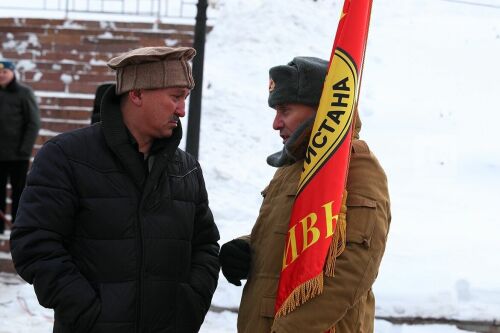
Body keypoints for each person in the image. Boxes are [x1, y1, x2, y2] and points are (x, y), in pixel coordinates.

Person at [10, 47, 220, 333]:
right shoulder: (65, 156)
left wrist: (190, 304)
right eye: (175, 96)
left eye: (185, 98)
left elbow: (205, 246)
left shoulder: (187, 168)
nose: (182, 110)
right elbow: (35, 244)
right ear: (136, 94)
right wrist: (89, 312)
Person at [219, 57, 391, 332]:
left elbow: (354, 267)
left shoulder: (356, 167)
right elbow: (300, 240)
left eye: (285, 110)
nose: (276, 124)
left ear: (321, 110)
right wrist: (247, 248)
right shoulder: (291, 167)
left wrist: (291, 329)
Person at [0, 60, 40, 234]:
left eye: (5, 72)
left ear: (13, 73)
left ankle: (19, 228)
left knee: (19, 193)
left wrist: (24, 149)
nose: (1, 75)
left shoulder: (24, 93)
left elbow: (33, 123)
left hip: (18, 155)